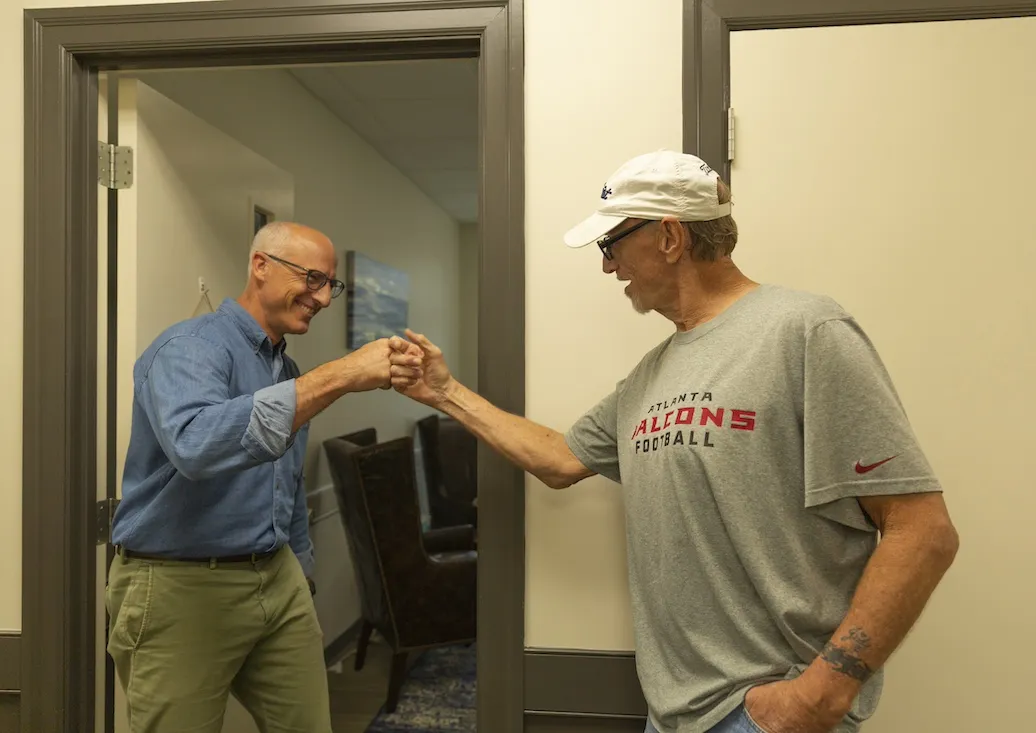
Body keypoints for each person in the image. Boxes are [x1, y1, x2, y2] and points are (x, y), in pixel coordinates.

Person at [391, 150, 960, 733]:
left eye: (611, 244)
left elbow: (922, 532)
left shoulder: (806, 330)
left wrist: (822, 694)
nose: (608, 266)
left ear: (669, 237)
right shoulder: (652, 373)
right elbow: (559, 459)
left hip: (766, 712)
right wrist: (445, 392)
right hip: (673, 714)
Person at [107, 221, 423, 732]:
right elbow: (195, 445)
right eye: (313, 279)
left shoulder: (286, 371)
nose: (323, 298)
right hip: (181, 587)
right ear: (261, 266)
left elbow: (286, 482)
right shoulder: (190, 347)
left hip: (277, 579)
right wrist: (341, 374)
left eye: (331, 285)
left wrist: (300, 570)